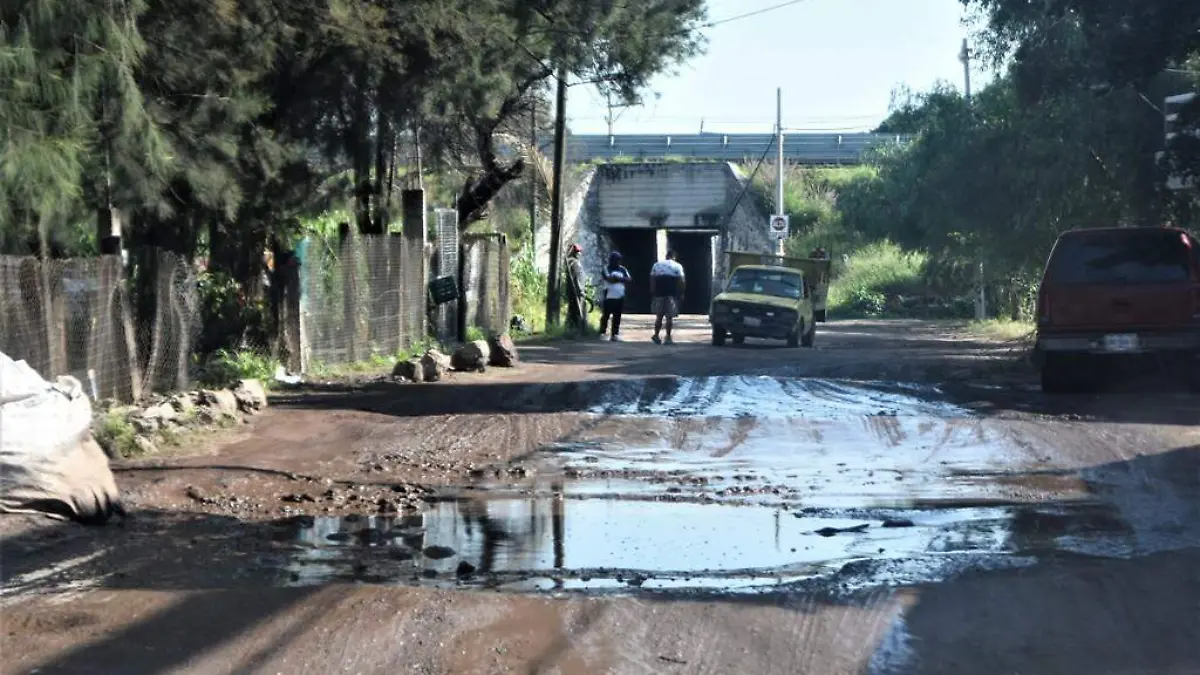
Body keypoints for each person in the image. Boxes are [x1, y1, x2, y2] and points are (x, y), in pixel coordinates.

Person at [649, 249, 685, 345]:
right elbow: (681, 280)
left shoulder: (657, 265)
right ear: (674, 257)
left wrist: (653, 291)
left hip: (659, 293)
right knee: (669, 317)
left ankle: (656, 335)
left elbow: (652, 279)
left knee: (659, 316)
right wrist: (681, 292)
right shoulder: (677, 266)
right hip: (671, 293)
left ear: (666, 256)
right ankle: (668, 338)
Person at [598, 251, 631, 341]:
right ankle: (602, 333)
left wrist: (617, 278)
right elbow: (609, 279)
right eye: (615, 260)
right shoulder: (606, 268)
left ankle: (615, 334)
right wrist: (621, 279)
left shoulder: (623, 269)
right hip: (609, 295)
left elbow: (628, 279)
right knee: (606, 315)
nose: (617, 261)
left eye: (618, 260)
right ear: (611, 260)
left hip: (620, 295)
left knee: (617, 315)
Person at [564, 243, 587, 334]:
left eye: (579, 252)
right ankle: (576, 329)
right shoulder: (574, 263)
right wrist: (580, 290)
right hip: (576, 291)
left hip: (575, 290)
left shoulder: (572, 262)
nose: (579, 253)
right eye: (577, 252)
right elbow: (576, 278)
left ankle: (572, 328)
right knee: (576, 310)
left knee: (573, 310)